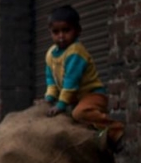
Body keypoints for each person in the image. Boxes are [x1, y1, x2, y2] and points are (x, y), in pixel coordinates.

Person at [44, 4, 124, 152]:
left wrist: (60, 105)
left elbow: (71, 82)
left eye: (66, 30)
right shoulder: (50, 54)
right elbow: (51, 79)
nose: (61, 36)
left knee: (79, 114)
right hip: (75, 99)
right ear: (50, 33)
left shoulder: (75, 52)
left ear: (78, 31)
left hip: (92, 95)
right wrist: (49, 97)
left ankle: (115, 130)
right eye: (56, 32)